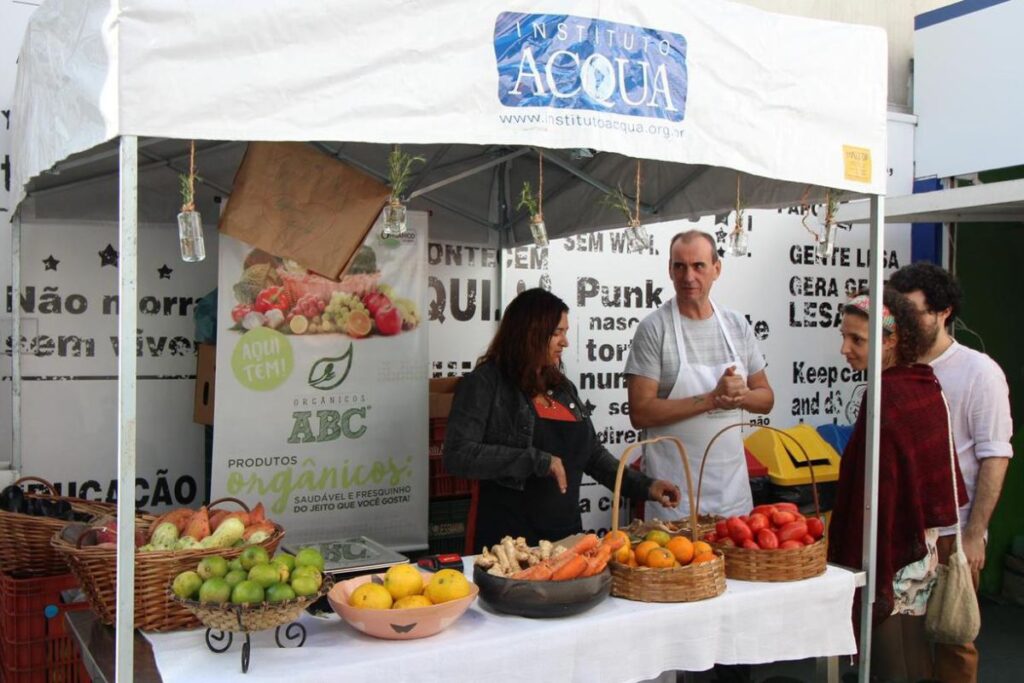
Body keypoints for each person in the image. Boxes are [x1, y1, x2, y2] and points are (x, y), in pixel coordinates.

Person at [443, 288, 681, 551]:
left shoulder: (563, 388)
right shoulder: (484, 383)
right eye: (557, 333)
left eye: (565, 332)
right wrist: (537, 460)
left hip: (565, 542)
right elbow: (458, 454)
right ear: (528, 333)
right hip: (508, 545)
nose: (565, 342)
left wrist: (646, 486)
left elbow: (594, 457)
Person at [827, 289, 968, 682]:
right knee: (914, 659)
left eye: (857, 339)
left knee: (891, 667)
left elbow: (883, 489)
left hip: (890, 549)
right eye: (844, 336)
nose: (845, 348)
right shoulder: (925, 384)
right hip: (919, 547)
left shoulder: (888, 395)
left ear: (892, 341)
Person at [890, 262, 1013, 683]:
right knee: (904, 638)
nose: (904, 322)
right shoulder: (895, 367)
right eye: (898, 312)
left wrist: (975, 533)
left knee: (953, 639)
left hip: (953, 535)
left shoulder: (979, 371)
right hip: (904, 532)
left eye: (914, 312)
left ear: (943, 312)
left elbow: (995, 456)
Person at [625, 230, 774, 519]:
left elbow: (766, 399)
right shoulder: (654, 329)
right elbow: (640, 413)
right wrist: (712, 399)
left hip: (733, 498)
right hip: (674, 499)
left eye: (698, 266)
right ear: (669, 270)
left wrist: (742, 396)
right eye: (679, 266)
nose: (688, 276)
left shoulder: (736, 325)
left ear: (717, 269)